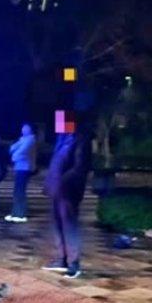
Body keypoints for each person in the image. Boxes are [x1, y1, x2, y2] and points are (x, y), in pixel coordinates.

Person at [42, 119, 93, 279]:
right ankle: (62, 259)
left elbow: (79, 167)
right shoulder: (62, 138)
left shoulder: (81, 140)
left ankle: (74, 263)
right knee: (57, 224)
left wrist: (63, 182)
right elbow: (55, 163)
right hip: (56, 189)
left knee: (69, 225)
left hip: (68, 190)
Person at [6, 123, 37, 222]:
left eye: (26, 129)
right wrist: (15, 152)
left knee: (20, 191)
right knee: (17, 191)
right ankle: (16, 213)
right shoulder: (23, 139)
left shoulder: (30, 140)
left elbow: (22, 152)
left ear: (30, 130)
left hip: (25, 168)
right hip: (20, 167)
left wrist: (14, 156)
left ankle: (20, 214)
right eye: (23, 129)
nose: (23, 130)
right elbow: (12, 148)